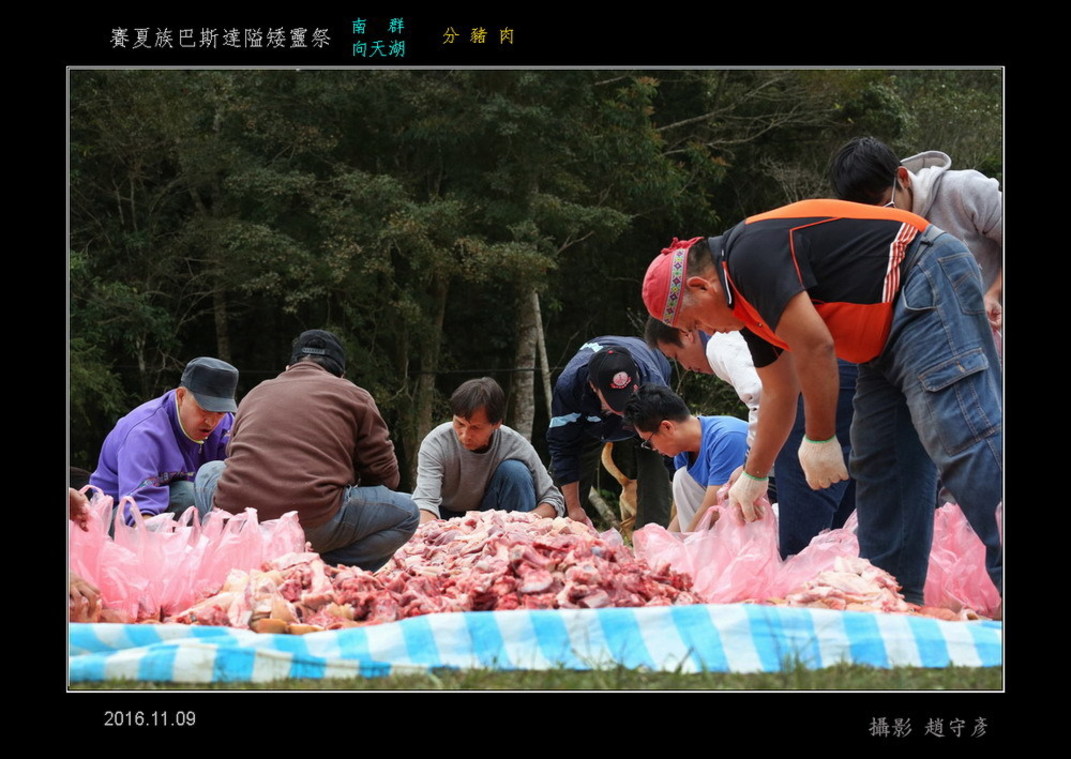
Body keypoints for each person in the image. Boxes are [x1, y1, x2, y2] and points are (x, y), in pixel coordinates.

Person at [641, 199, 1002, 604]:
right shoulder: (746, 310)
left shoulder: (747, 258)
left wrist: (819, 437)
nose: (707, 330)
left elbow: (816, 346)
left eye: (695, 322)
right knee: (883, 461)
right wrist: (754, 476)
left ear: (700, 286)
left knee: (961, 433)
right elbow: (779, 391)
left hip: (923, 276)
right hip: (879, 338)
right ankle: (893, 599)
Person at [199, 330, 418, 572]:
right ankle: (321, 569)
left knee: (209, 470)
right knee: (408, 511)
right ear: (341, 375)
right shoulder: (354, 395)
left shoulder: (256, 392)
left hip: (239, 519)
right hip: (314, 521)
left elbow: (232, 455)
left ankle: (226, 550)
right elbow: (386, 477)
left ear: (288, 367)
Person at [645, 316, 855, 556]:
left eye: (676, 356)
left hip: (813, 404)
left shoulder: (720, 343)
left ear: (686, 333)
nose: (684, 367)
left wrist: (752, 468)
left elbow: (762, 394)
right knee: (844, 526)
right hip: (841, 383)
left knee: (799, 545)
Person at [830, 136, 1002, 331]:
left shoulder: (963, 190)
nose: (884, 222)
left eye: (887, 207)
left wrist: (994, 293)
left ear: (902, 178)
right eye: (871, 217)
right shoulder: (869, 235)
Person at [90, 357, 238, 525]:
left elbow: (234, 488)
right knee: (188, 496)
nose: (211, 422)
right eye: (204, 410)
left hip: (174, 510)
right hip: (118, 514)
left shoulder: (226, 425)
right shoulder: (144, 433)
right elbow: (137, 510)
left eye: (220, 412)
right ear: (181, 396)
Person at [547, 337, 674, 528]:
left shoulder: (653, 384)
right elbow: (564, 448)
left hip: (647, 407)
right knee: (563, 511)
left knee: (656, 470)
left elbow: (674, 446)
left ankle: (653, 536)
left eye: (628, 397)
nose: (624, 411)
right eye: (616, 401)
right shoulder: (570, 387)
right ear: (593, 386)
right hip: (591, 421)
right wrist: (573, 508)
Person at [412, 377, 565, 523]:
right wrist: (434, 534)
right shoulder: (437, 442)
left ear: (497, 424)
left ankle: (517, 538)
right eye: (460, 424)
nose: (465, 435)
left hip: (492, 518)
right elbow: (425, 503)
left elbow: (553, 500)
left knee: (515, 471)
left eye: (475, 428)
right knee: (404, 506)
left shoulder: (514, 444)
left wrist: (521, 522)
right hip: (442, 515)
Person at [623, 384, 748, 532]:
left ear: (667, 427)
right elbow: (684, 513)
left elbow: (714, 509)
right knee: (682, 478)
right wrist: (667, 541)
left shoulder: (727, 439)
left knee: (683, 479)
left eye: (648, 442)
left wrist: (684, 543)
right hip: (727, 517)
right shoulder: (684, 452)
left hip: (759, 516)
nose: (653, 449)